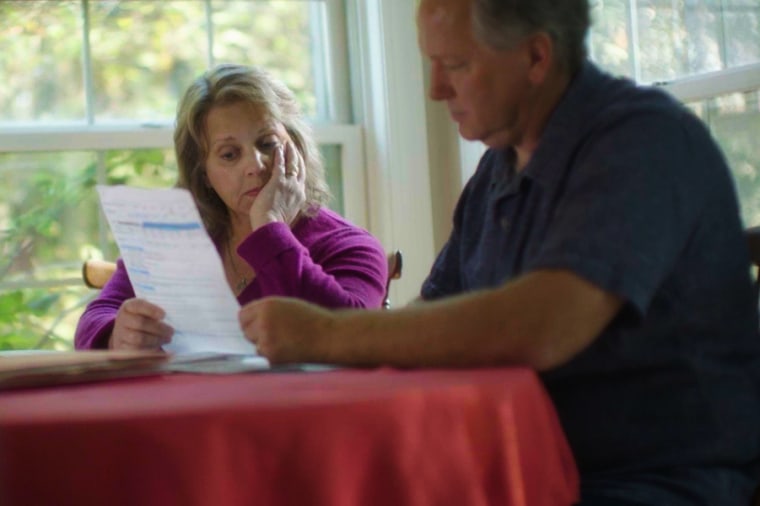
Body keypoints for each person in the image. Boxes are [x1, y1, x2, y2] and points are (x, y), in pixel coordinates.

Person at [237, 0, 760, 504]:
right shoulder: (496, 171)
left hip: (643, 480)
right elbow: (432, 318)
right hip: (512, 463)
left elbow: (545, 324)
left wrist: (323, 334)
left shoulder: (642, 141)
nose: (435, 89)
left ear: (536, 56)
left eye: (456, 65)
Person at [75, 63, 388, 351]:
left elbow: (348, 335)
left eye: (268, 144)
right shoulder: (175, 238)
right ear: (204, 173)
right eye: (229, 154)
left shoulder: (348, 245)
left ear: (297, 149)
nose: (255, 165)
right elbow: (95, 317)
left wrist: (269, 225)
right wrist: (118, 332)